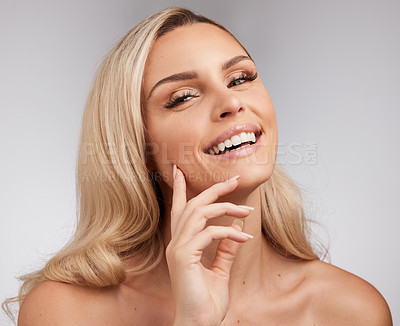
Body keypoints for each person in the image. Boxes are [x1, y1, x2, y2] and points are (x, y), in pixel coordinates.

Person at [5, 7, 392, 325]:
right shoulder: (64, 312)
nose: (231, 102)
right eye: (183, 97)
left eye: (240, 78)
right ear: (138, 146)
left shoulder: (352, 311)